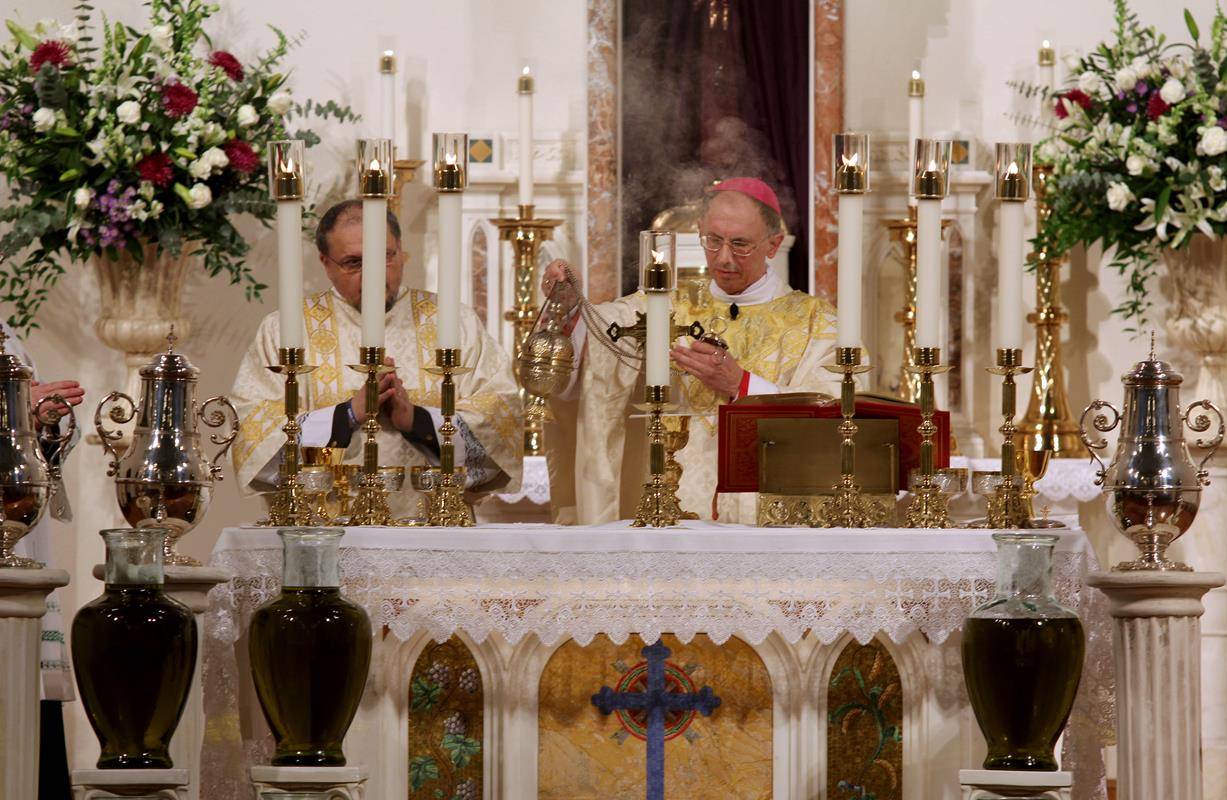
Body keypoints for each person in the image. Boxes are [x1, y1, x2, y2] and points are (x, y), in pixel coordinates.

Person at [542, 178, 839, 524]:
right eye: (713, 241)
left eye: (740, 244)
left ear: (772, 245)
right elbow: (602, 339)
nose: (724, 257)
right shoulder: (663, 304)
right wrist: (571, 308)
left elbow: (834, 416)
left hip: (766, 521)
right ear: (699, 230)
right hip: (669, 512)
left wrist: (741, 384)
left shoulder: (818, 323)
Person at [231, 200, 522, 518]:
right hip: (323, 532)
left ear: (401, 251)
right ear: (326, 263)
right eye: (353, 262)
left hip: (433, 529)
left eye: (385, 257)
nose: (371, 275)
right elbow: (254, 442)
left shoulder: (454, 323)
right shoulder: (285, 330)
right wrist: (346, 417)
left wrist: (418, 422)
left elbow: (500, 429)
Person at [4, 323, 84, 799]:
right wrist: (11, 410)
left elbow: (35, 457)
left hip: (19, 550)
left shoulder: (6, 334)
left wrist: (47, 424)